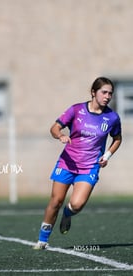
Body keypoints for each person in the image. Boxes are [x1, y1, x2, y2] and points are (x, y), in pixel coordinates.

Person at [34, 77, 122, 250]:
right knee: (56, 201)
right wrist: (60, 135)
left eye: (110, 93)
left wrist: (108, 155)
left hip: (89, 167)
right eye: (104, 92)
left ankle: (67, 214)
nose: (107, 96)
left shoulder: (112, 117)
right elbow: (54, 128)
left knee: (77, 204)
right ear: (93, 93)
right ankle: (42, 240)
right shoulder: (76, 109)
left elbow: (117, 139)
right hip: (67, 163)